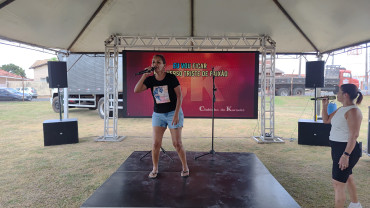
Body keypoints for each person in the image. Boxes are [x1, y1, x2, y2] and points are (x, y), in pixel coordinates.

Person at [134, 54, 189, 179]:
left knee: (177, 143)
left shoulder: (171, 78)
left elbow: (180, 96)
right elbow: (136, 90)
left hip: (172, 113)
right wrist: (144, 75)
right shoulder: (150, 80)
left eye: (158, 62)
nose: (155, 64)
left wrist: (176, 115)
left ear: (164, 65)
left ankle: (185, 167)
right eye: (153, 62)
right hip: (158, 114)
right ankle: (155, 168)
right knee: (155, 144)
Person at [322, 84, 363, 208]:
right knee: (348, 177)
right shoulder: (341, 109)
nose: (337, 94)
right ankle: (356, 205)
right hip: (337, 148)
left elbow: (354, 135)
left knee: (338, 184)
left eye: (339, 92)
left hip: (346, 150)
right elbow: (326, 120)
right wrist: (324, 105)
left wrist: (345, 155)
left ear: (345, 95)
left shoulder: (353, 111)